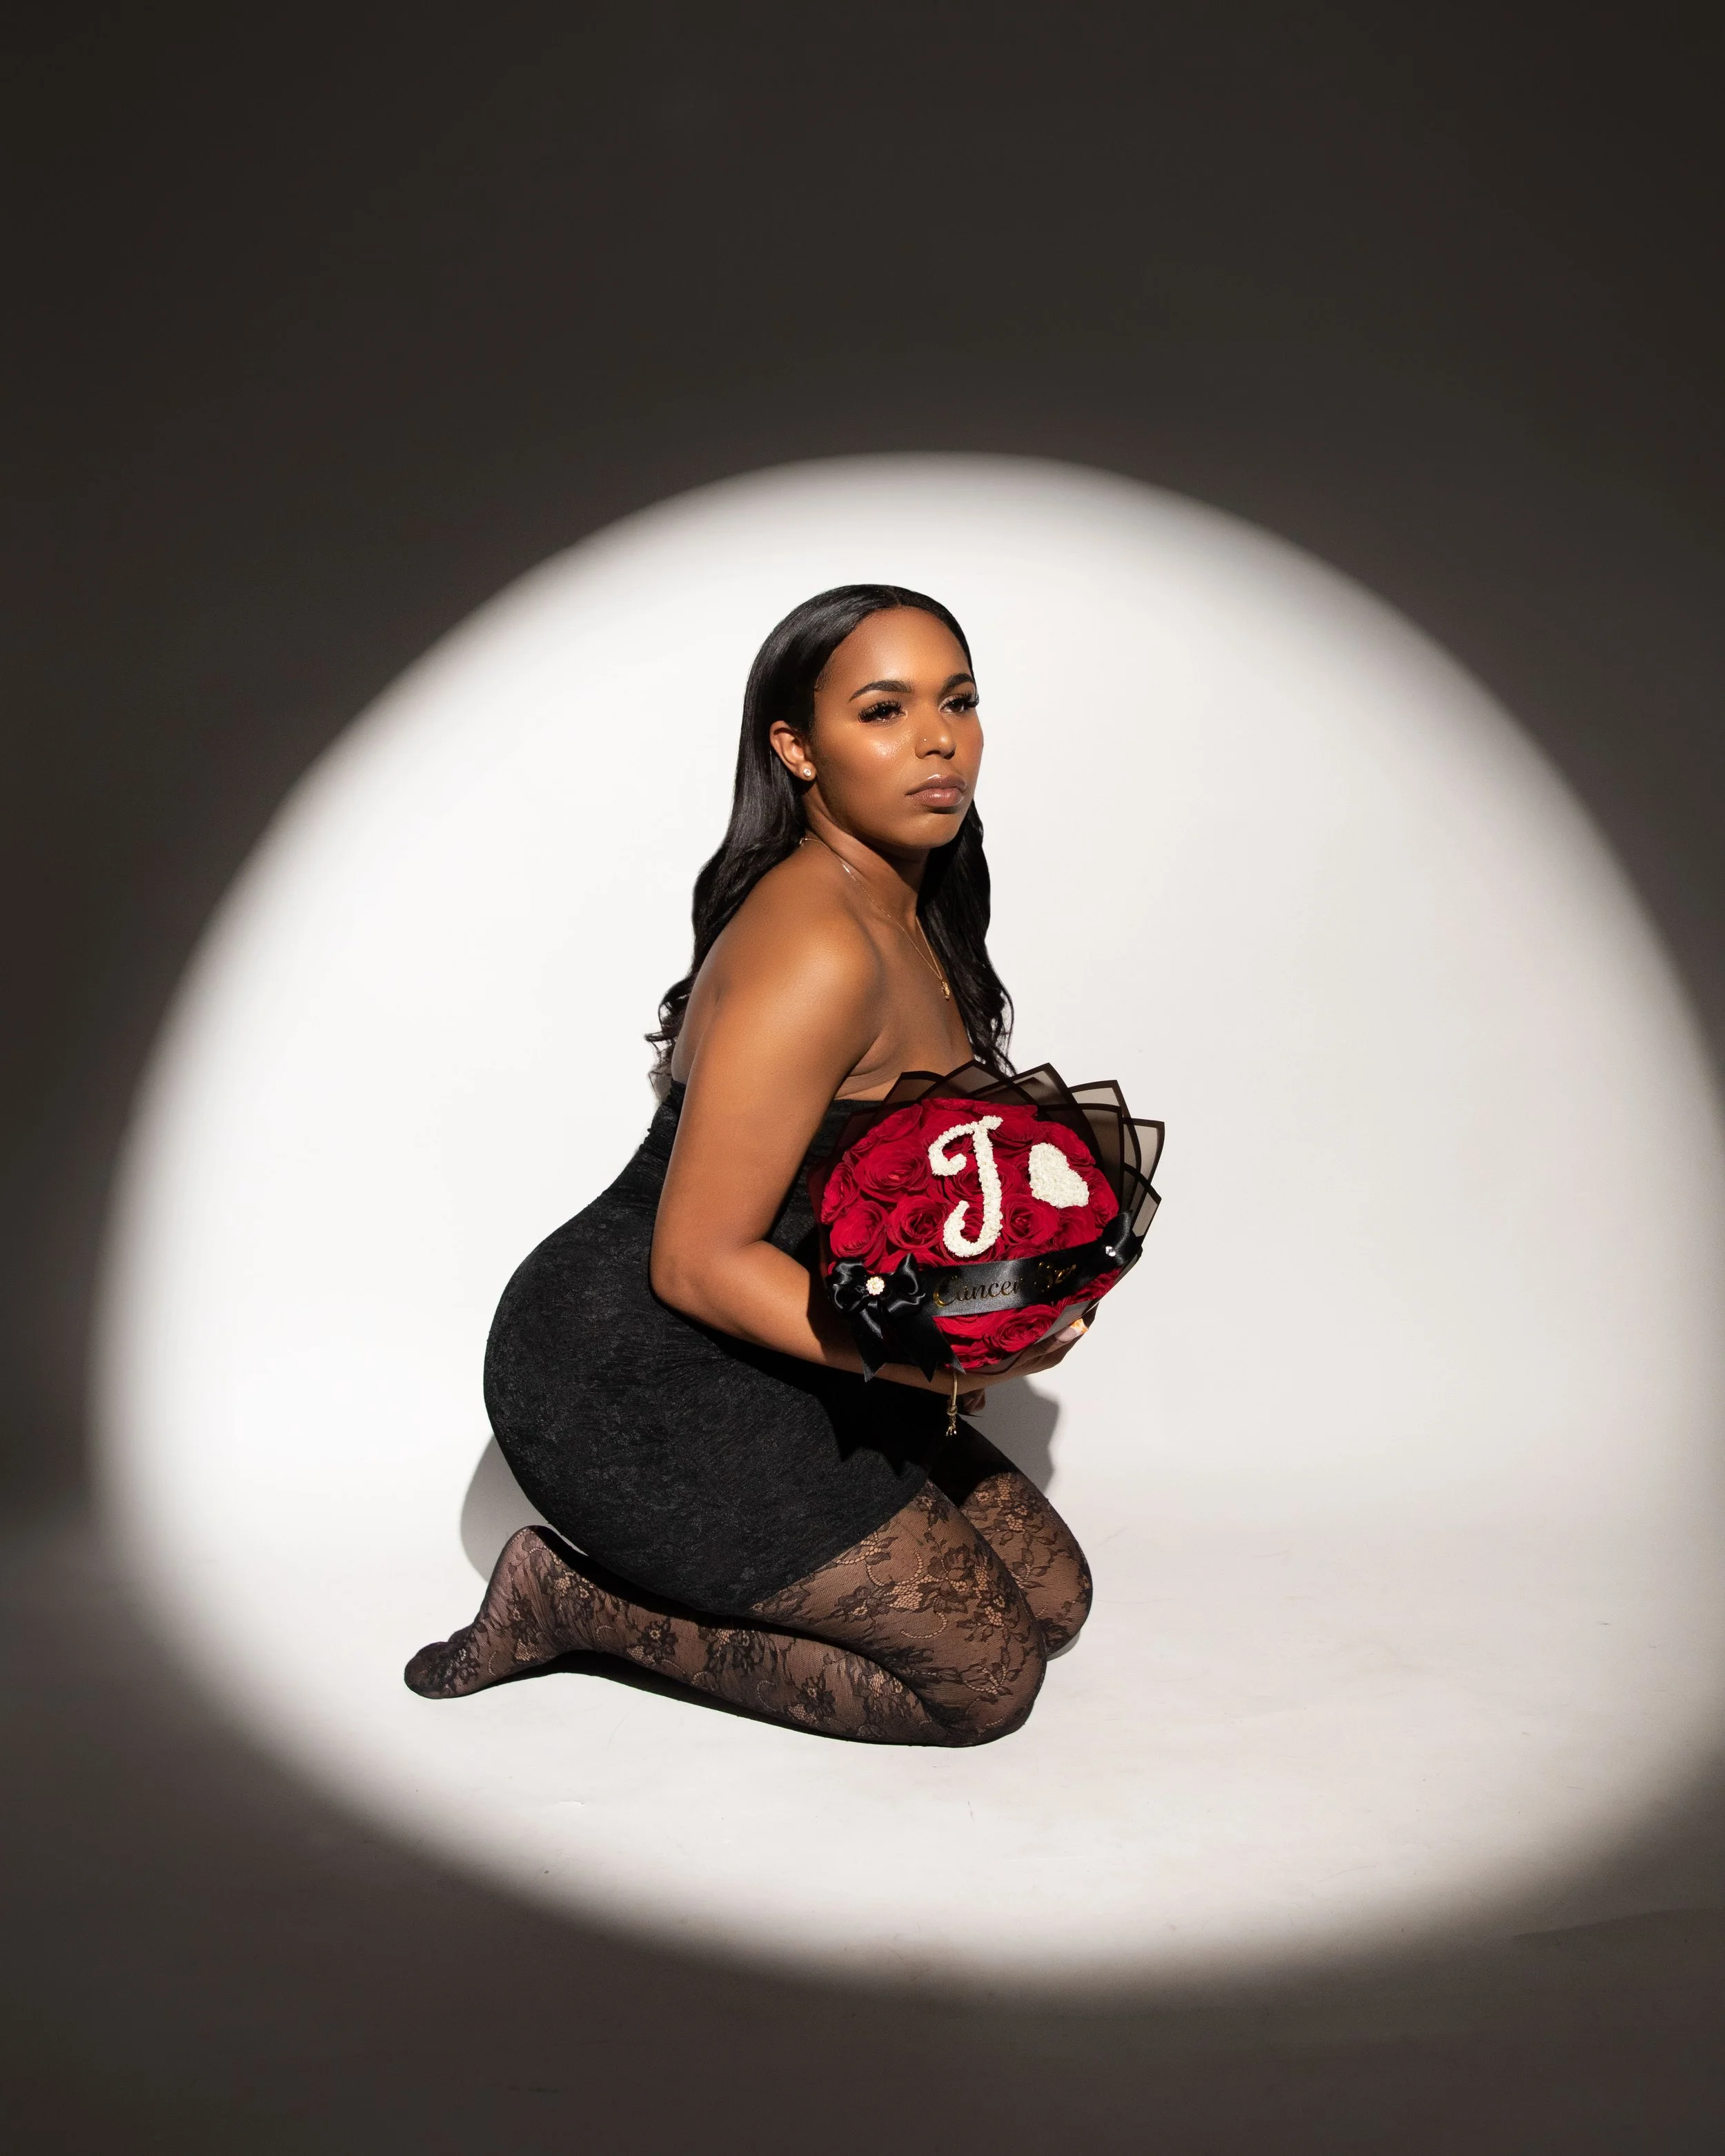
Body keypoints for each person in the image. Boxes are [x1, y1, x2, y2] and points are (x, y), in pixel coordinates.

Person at [405, 585, 1094, 1743]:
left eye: (960, 702)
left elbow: (897, 1190)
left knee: (1055, 1604)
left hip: (766, 1347)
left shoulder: (912, 905)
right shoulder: (815, 943)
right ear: (798, 747)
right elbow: (697, 1262)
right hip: (633, 1370)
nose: (938, 740)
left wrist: (1023, 1295)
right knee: (980, 1683)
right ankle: (571, 1602)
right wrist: (936, 1367)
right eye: (883, 710)